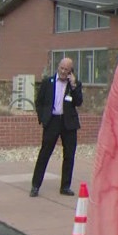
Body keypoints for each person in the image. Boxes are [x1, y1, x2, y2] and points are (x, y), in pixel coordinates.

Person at [30, 57, 83, 197]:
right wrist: (42, 119)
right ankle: (35, 185)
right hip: (52, 121)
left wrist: (73, 85)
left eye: (67, 70)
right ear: (58, 67)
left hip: (68, 123)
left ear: (71, 71)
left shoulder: (75, 84)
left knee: (69, 155)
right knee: (45, 153)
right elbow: (39, 101)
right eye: (62, 68)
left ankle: (65, 186)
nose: (63, 72)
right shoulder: (48, 82)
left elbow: (78, 102)